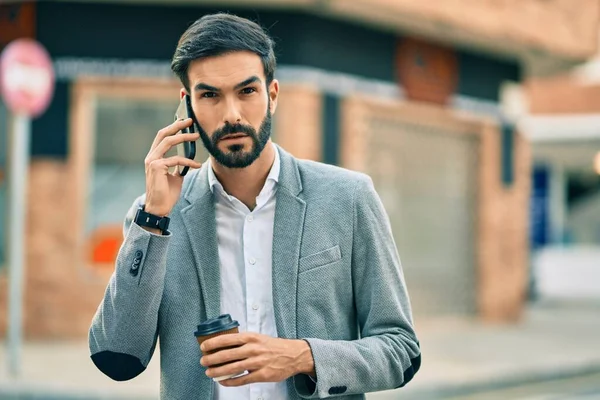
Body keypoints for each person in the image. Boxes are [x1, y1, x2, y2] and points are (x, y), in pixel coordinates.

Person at [89, 13, 421, 400]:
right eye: (210, 95)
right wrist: (154, 218)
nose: (231, 114)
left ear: (273, 95)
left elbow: (401, 350)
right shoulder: (155, 216)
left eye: (247, 91)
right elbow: (117, 357)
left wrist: (303, 357)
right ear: (188, 107)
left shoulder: (348, 198)